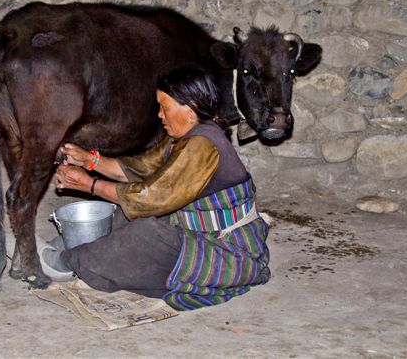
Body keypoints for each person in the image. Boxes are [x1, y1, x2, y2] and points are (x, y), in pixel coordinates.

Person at [44, 65, 270, 311]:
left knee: (144, 235)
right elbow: (140, 168)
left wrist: (90, 184)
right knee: (123, 216)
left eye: (165, 107)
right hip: (199, 234)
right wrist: (90, 160)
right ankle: (84, 248)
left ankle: (68, 263)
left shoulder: (203, 144)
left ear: (190, 107)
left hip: (227, 251)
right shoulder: (185, 137)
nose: (160, 115)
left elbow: (151, 198)